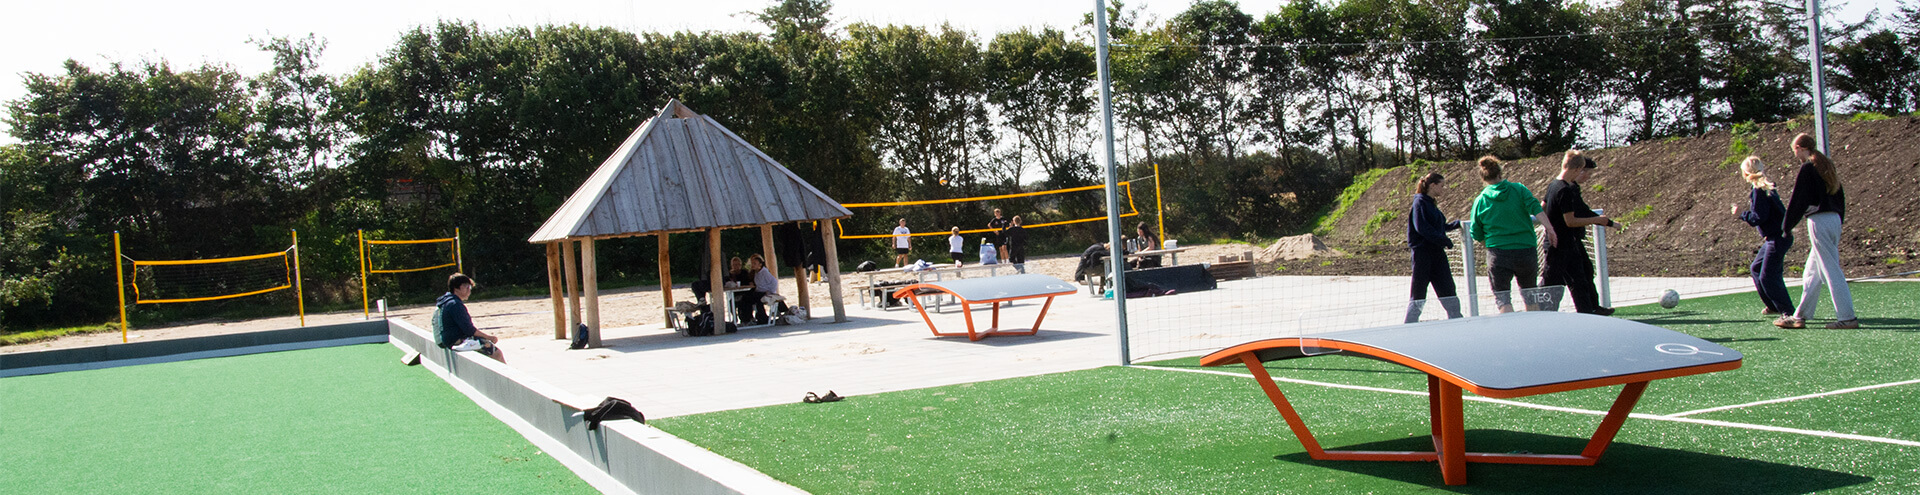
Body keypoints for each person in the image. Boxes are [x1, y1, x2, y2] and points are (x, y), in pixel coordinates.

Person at [1776, 133, 1857, 329]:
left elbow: (1799, 200)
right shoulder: (1826, 165)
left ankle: (1847, 317)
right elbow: (1840, 196)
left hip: (1819, 221)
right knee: (1812, 271)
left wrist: (1786, 226)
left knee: (1831, 270)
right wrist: (1839, 220)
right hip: (1834, 219)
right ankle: (1799, 316)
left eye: (1795, 150)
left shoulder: (1808, 168)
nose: (1795, 154)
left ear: (1801, 148)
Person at [1468, 156, 1559, 313]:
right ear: (1500, 173)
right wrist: (1549, 228)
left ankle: (1510, 334)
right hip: (1525, 250)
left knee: (1503, 299)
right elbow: (1536, 208)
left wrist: (1489, 245)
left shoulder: (1481, 200)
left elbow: (1475, 231)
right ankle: (1533, 332)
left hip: (1498, 253)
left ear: (1483, 177)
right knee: (1530, 296)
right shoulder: (1519, 189)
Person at [1541, 150, 1619, 316]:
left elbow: (1543, 206)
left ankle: (1588, 312)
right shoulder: (1564, 189)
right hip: (1560, 245)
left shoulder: (1554, 185)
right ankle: (1542, 314)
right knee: (1552, 282)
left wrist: (1548, 226)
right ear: (1577, 170)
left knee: (1581, 278)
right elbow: (1570, 221)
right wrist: (1596, 220)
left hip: (1568, 243)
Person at [1734, 156, 1795, 316]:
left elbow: (1758, 217)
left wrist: (1742, 214)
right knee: (1756, 268)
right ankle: (1773, 306)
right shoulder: (1767, 188)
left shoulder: (1759, 191)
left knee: (1768, 277)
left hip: (1776, 239)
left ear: (1746, 173)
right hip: (1777, 237)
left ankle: (1787, 311)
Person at [1406, 172, 1464, 323]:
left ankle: (1456, 320)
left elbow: (1437, 226)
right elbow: (1422, 228)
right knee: (1419, 293)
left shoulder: (1430, 203)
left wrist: (1453, 225)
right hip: (1423, 255)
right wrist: (1443, 240)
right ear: (1433, 185)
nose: (1443, 189)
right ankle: (1410, 325)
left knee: (1448, 289)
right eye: (1442, 186)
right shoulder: (1420, 202)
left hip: (1437, 254)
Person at [433, 273, 504, 362]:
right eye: (466, 287)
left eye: (470, 288)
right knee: (497, 354)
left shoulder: (445, 301)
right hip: (456, 340)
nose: (469, 291)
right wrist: (489, 337)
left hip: (447, 340)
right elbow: (469, 329)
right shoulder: (455, 304)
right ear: (456, 288)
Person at [736, 254, 779, 325]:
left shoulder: (764, 272)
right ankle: (747, 318)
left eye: (754, 264)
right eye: (752, 263)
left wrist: (770, 292)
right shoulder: (756, 273)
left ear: (760, 264)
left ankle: (758, 318)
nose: (752, 265)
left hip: (764, 292)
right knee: (745, 298)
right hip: (758, 292)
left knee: (749, 299)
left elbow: (774, 282)